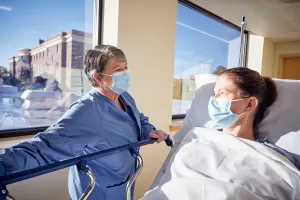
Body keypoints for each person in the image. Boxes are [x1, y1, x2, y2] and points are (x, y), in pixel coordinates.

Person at [0, 45, 168, 199]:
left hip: (123, 182)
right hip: (99, 190)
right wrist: (3, 164)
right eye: (118, 71)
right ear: (98, 77)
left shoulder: (123, 96)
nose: (126, 74)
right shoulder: (87, 111)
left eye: (126, 68)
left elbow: (138, 117)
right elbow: (45, 147)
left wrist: (149, 131)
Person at [208, 67, 300, 170]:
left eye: (222, 93)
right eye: (214, 93)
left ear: (250, 104)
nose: (213, 100)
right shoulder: (200, 137)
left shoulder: (274, 158)